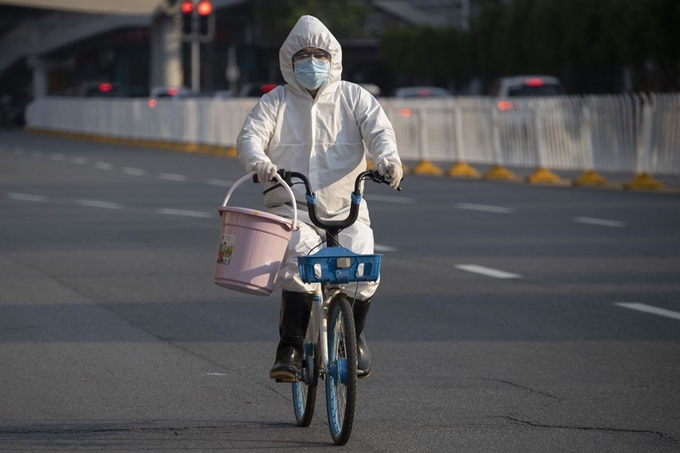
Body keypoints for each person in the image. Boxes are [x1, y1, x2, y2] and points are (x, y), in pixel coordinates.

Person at [237, 15, 403, 383]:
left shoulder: (354, 97)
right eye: (303, 55)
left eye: (319, 54)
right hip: (291, 205)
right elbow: (250, 137)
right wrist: (260, 162)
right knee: (298, 266)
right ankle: (291, 347)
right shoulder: (275, 101)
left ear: (333, 59)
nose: (312, 62)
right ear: (289, 61)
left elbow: (380, 132)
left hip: (348, 208)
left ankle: (353, 337)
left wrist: (389, 160)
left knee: (363, 268)